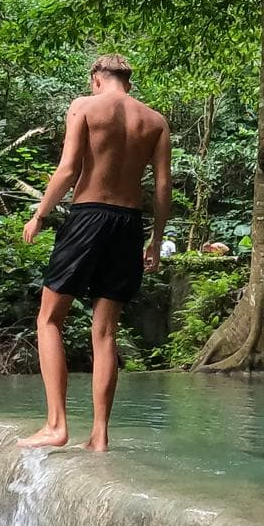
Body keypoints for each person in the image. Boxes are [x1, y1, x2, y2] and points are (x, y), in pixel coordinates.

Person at [18, 55, 170, 452]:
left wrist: (39, 215)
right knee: (105, 331)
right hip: (129, 224)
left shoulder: (84, 106)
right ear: (128, 84)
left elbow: (68, 169)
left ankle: (56, 425)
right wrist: (156, 239)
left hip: (88, 216)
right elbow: (162, 187)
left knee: (49, 319)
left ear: (97, 79)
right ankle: (99, 436)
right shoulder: (154, 121)